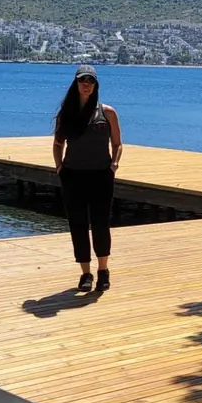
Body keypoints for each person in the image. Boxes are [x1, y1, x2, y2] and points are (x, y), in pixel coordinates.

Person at [52, 65, 122, 292]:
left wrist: (113, 165)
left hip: (101, 175)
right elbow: (57, 143)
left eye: (90, 81)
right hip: (73, 176)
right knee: (78, 225)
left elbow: (117, 143)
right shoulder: (67, 114)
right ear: (76, 84)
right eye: (83, 80)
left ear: (96, 85)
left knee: (101, 223)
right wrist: (60, 167)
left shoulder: (107, 112)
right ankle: (85, 274)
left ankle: (103, 271)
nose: (86, 85)